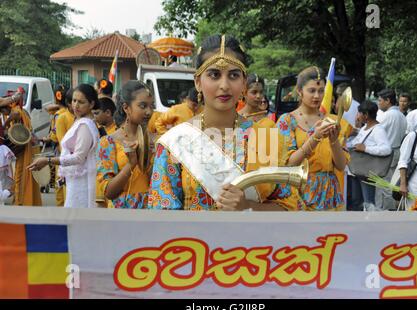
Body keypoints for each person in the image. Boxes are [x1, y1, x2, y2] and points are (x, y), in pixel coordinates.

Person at [150, 34, 299, 211]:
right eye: (214, 74)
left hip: (253, 239)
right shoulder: (175, 142)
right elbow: (161, 218)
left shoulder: (265, 137)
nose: (224, 85)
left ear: (244, 83)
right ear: (198, 82)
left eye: (234, 75)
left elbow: (289, 208)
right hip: (191, 239)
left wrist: (248, 207)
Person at [276, 66, 349, 211]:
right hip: (299, 194)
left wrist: (333, 140)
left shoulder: (333, 120)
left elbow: (341, 166)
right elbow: (288, 164)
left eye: (321, 91)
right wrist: (315, 137)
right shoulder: (287, 121)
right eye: (312, 90)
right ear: (299, 91)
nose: (317, 96)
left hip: (330, 195)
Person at [28, 84, 100, 208]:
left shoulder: (85, 125)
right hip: (74, 176)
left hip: (80, 181)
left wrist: (48, 160)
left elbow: (78, 158)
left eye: (81, 102)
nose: (76, 105)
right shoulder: (80, 121)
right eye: (74, 100)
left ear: (91, 104)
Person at [96, 81, 155, 209]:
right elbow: (109, 192)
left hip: (151, 214)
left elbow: (161, 185)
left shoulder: (156, 141)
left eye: (152, 106)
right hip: (121, 217)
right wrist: (131, 164)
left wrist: (148, 159)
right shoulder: (108, 143)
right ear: (126, 108)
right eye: (143, 106)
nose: (149, 112)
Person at [0, 88, 42, 206]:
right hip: (25, 148)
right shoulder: (18, 111)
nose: (4, 114)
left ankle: (21, 202)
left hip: (24, 150)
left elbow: (13, 116)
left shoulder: (16, 112)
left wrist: (6, 123)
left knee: (20, 176)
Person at [347, 101, 392, 210]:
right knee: (357, 201)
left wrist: (366, 149)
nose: (357, 116)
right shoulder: (364, 128)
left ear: (366, 115)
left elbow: (386, 149)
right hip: (357, 171)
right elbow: (356, 144)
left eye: (359, 113)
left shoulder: (378, 130)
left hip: (367, 172)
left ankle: (369, 224)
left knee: (368, 203)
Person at [375, 88, 407, 210]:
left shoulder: (387, 116)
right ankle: (388, 208)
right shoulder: (401, 115)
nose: (379, 103)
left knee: (383, 185)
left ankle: (385, 210)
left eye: (380, 100)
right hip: (397, 151)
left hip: (387, 154)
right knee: (389, 182)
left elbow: (374, 132)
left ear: (387, 100)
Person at [52, 88, 76, 206]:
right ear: (68, 104)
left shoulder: (83, 118)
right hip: (65, 160)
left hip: (78, 161)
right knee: (62, 191)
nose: (78, 105)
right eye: (75, 101)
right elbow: (63, 144)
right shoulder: (61, 117)